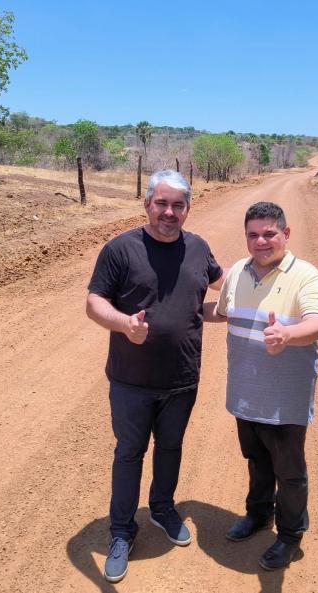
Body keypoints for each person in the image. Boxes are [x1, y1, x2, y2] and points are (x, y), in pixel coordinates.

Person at [86, 170, 224, 583]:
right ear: (147, 204)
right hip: (131, 379)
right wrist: (124, 324)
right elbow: (94, 302)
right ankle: (121, 531)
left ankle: (162, 508)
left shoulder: (199, 248)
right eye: (161, 203)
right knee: (129, 453)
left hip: (182, 377)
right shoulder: (121, 250)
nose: (169, 212)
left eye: (177, 205)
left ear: (187, 208)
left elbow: (223, 287)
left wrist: (267, 288)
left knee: (171, 447)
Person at [207, 201, 318, 570]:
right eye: (253, 235)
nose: (261, 241)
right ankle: (259, 514)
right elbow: (221, 311)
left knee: (288, 471)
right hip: (246, 391)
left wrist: (287, 334)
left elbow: (316, 323)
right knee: (256, 460)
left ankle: (290, 535)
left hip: (284, 396)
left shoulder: (305, 275)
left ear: (285, 234)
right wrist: (177, 314)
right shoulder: (238, 272)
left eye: (269, 233)